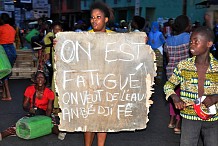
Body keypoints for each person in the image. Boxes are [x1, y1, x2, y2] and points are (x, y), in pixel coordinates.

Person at [164, 26, 218, 146]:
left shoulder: (217, 67)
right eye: (190, 42)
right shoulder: (184, 66)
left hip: (212, 117)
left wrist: (214, 98)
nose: (191, 45)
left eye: (196, 42)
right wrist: (175, 97)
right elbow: (168, 85)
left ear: (209, 43)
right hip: (190, 116)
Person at [0, 70, 66, 141]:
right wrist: (30, 109)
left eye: (42, 78)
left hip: (45, 113)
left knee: (52, 124)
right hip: (33, 112)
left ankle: (58, 133)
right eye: (38, 78)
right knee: (19, 125)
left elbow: (49, 108)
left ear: (45, 80)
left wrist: (45, 119)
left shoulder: (49, 93)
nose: (40, 79)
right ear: (35, 80)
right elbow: (24, 105)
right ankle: (3, 134)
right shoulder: (29, 89)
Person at [84, 1, 114, 146]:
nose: (94, 20)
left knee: (103, 119)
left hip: (107, 85)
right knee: (89, 120)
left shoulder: (115, 37)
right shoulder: (83, 37)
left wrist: (140, 43)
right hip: (88, 85)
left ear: (106, 19)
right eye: (92, 17)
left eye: (98, 17)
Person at [163, 15, 191, 134]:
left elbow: (168, 58)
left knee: (173, 96)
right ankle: (179, 123)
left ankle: (171, 119)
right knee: (183, 97)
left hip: (171, 71)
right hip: (185, 72)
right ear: (186, 25)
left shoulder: (169, 39)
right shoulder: (189, 38)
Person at [0, 13, 17, 101]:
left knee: (4, 73)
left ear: (2, 20)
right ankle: (3, 92)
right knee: (6, 72)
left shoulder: (1, 28)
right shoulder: (12, 28)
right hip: (12, 50)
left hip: (4, 50)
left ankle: (8, 95)